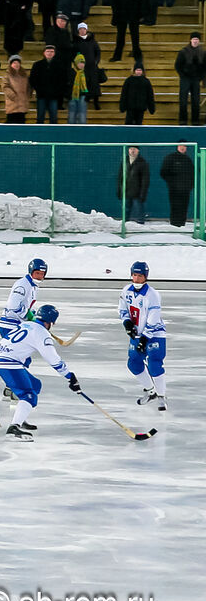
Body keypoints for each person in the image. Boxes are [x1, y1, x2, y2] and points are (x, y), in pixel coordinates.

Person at [0, 302, 78, 440]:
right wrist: (69, 376)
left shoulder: (25, 324)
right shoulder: (42, 334)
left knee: (35, 384)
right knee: (28, 395)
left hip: (0, 359)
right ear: (51, 322)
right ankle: (14, 428)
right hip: (10, 364)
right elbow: (53, 360)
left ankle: (21, 418)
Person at [121, 261, 166, 411]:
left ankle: (161, 397)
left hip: (155, 334)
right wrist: (127, 323)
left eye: (140, 275)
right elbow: (122, 310)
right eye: (134, 275)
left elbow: (154, 318)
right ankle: (151, 392)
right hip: (138, 334)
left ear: (145, 277)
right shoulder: (126, 291)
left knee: (154, 363)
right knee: (133, 363)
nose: (137, 278)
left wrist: (145, 338)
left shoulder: (152, 295)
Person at [0, 258, 47, 339]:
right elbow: (13, 305)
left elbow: (27, 305)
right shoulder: (22, 285)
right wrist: (28, 315)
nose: (39, 276)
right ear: (31, 272)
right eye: (37, 273)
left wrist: (35, 316)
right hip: (10, 324)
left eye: (42, 274)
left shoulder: (32, 286)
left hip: (17, 324)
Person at [159, 143, 194, 228]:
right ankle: (174, 225)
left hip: (185, 189)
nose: (182, 148)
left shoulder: (188, 160)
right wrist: (172, 183)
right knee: (175, 206)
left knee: (184, 207)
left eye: (184, 146)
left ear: (186, 148)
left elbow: (192, 174)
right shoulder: (171, 157)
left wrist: (190, 186)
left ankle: (182, 224)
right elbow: (163, 172)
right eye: (181, 146)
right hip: (174, 189)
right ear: (177, 147)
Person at [177, 32, 205, 125]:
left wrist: (201, 77)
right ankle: (183, 120)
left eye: (197, 39)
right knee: (183, 101)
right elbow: (177, 65)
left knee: (196, 101)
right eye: (194, 39)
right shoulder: (183, 52)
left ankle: (195, 121)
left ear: (199, 41)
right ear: (190, 40)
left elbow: (204, 67)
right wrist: (183, 75)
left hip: (196, 79)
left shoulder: (203, 52)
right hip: (185, 78)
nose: (195, 41)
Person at [119, 144, 149, 224]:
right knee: (126, 210)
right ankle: (125, 225)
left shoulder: (142, 162)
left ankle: (140, 224)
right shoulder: (125, 161)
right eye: (131, 149)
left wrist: (143, 193)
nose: (132, 151)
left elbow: (145, 179)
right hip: (126, 191)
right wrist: (120, 190)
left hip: (137, 192)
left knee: (139, 210)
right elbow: (120, 176)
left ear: (138, 151)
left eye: (134, 149)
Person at [2, 53, 30, 124]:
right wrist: (13, 96)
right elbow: (5, 86)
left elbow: (29, 86)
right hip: (12, 103)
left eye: (18, 63)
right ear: (11, 64)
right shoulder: (7, 75)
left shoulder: (24, 75)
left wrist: (27, 95)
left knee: (21, 122)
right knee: (11, 121)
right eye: (14, 63)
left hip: (22, 103)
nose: (16, 64)